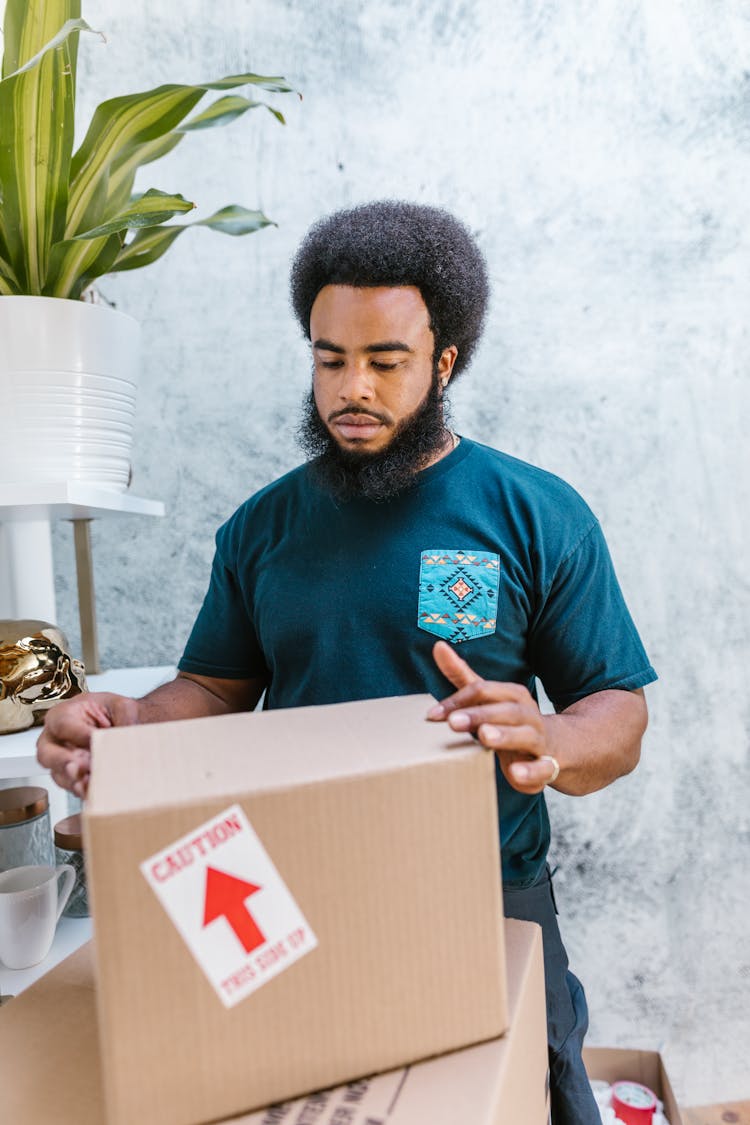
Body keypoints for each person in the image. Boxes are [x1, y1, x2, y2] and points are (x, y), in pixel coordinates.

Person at [38, 200, 656, 1125]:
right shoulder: (262, 527)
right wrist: (132, 726)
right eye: (330, 359)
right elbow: (212, 686)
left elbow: (619, 711)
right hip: (302, 881)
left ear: (445, 362)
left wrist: (553, 738)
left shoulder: (535, 513)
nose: (350, 387)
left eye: (385, 360)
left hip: (490, 889)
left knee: (530, 1094)